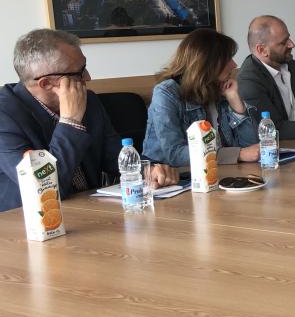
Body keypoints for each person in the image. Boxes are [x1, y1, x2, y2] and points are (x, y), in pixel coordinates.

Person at [0, 29, 177, 212]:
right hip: (29, 220)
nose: (88, 77)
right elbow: (48, 188)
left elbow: (115, 157)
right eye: (79, 72)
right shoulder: (5, 116)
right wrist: (70, 121)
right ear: (46, 83)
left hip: (90, 210)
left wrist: (150, 170)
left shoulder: (89, 100)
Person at [144, 29, 260, 167]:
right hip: (175, 176)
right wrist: (237, 154)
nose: (234, 65)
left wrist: (235, 101)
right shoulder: (166, 93)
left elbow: (252, 148)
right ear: (209, 63)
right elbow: (175, 155)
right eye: (228, 59)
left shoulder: (221, 89)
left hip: (219, 171)